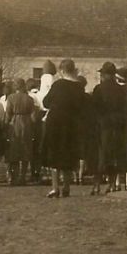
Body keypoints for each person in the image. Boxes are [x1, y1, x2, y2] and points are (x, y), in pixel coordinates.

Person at [41, 58, 84, 198]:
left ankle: (55, 187)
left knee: (54, 155)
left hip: (56, 124)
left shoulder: (58, 85)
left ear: (62, 71)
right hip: (72, 125)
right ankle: (66, 187)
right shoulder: (79, 87)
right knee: (68, 155)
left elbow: (46, 102)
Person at [92, 62, 127, 195]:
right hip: (117, 125)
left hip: (102, 125)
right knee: (114, 155)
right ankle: (112, 184)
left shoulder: (98, 89)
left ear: (104, 74)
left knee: (100, 155)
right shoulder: (121, 90)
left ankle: (96, 185)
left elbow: (94, 108)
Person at [6, 79, 37, 185]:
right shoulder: (29, 99)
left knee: (14, 149)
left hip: (14, 124)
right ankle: (22, 176)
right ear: (23, 86)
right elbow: (33, 117)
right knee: (25, 150)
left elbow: (8, 113)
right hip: (26, 124)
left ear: (15, 87)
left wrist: (6, 125)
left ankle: (13, 176)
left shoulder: (11, 98)